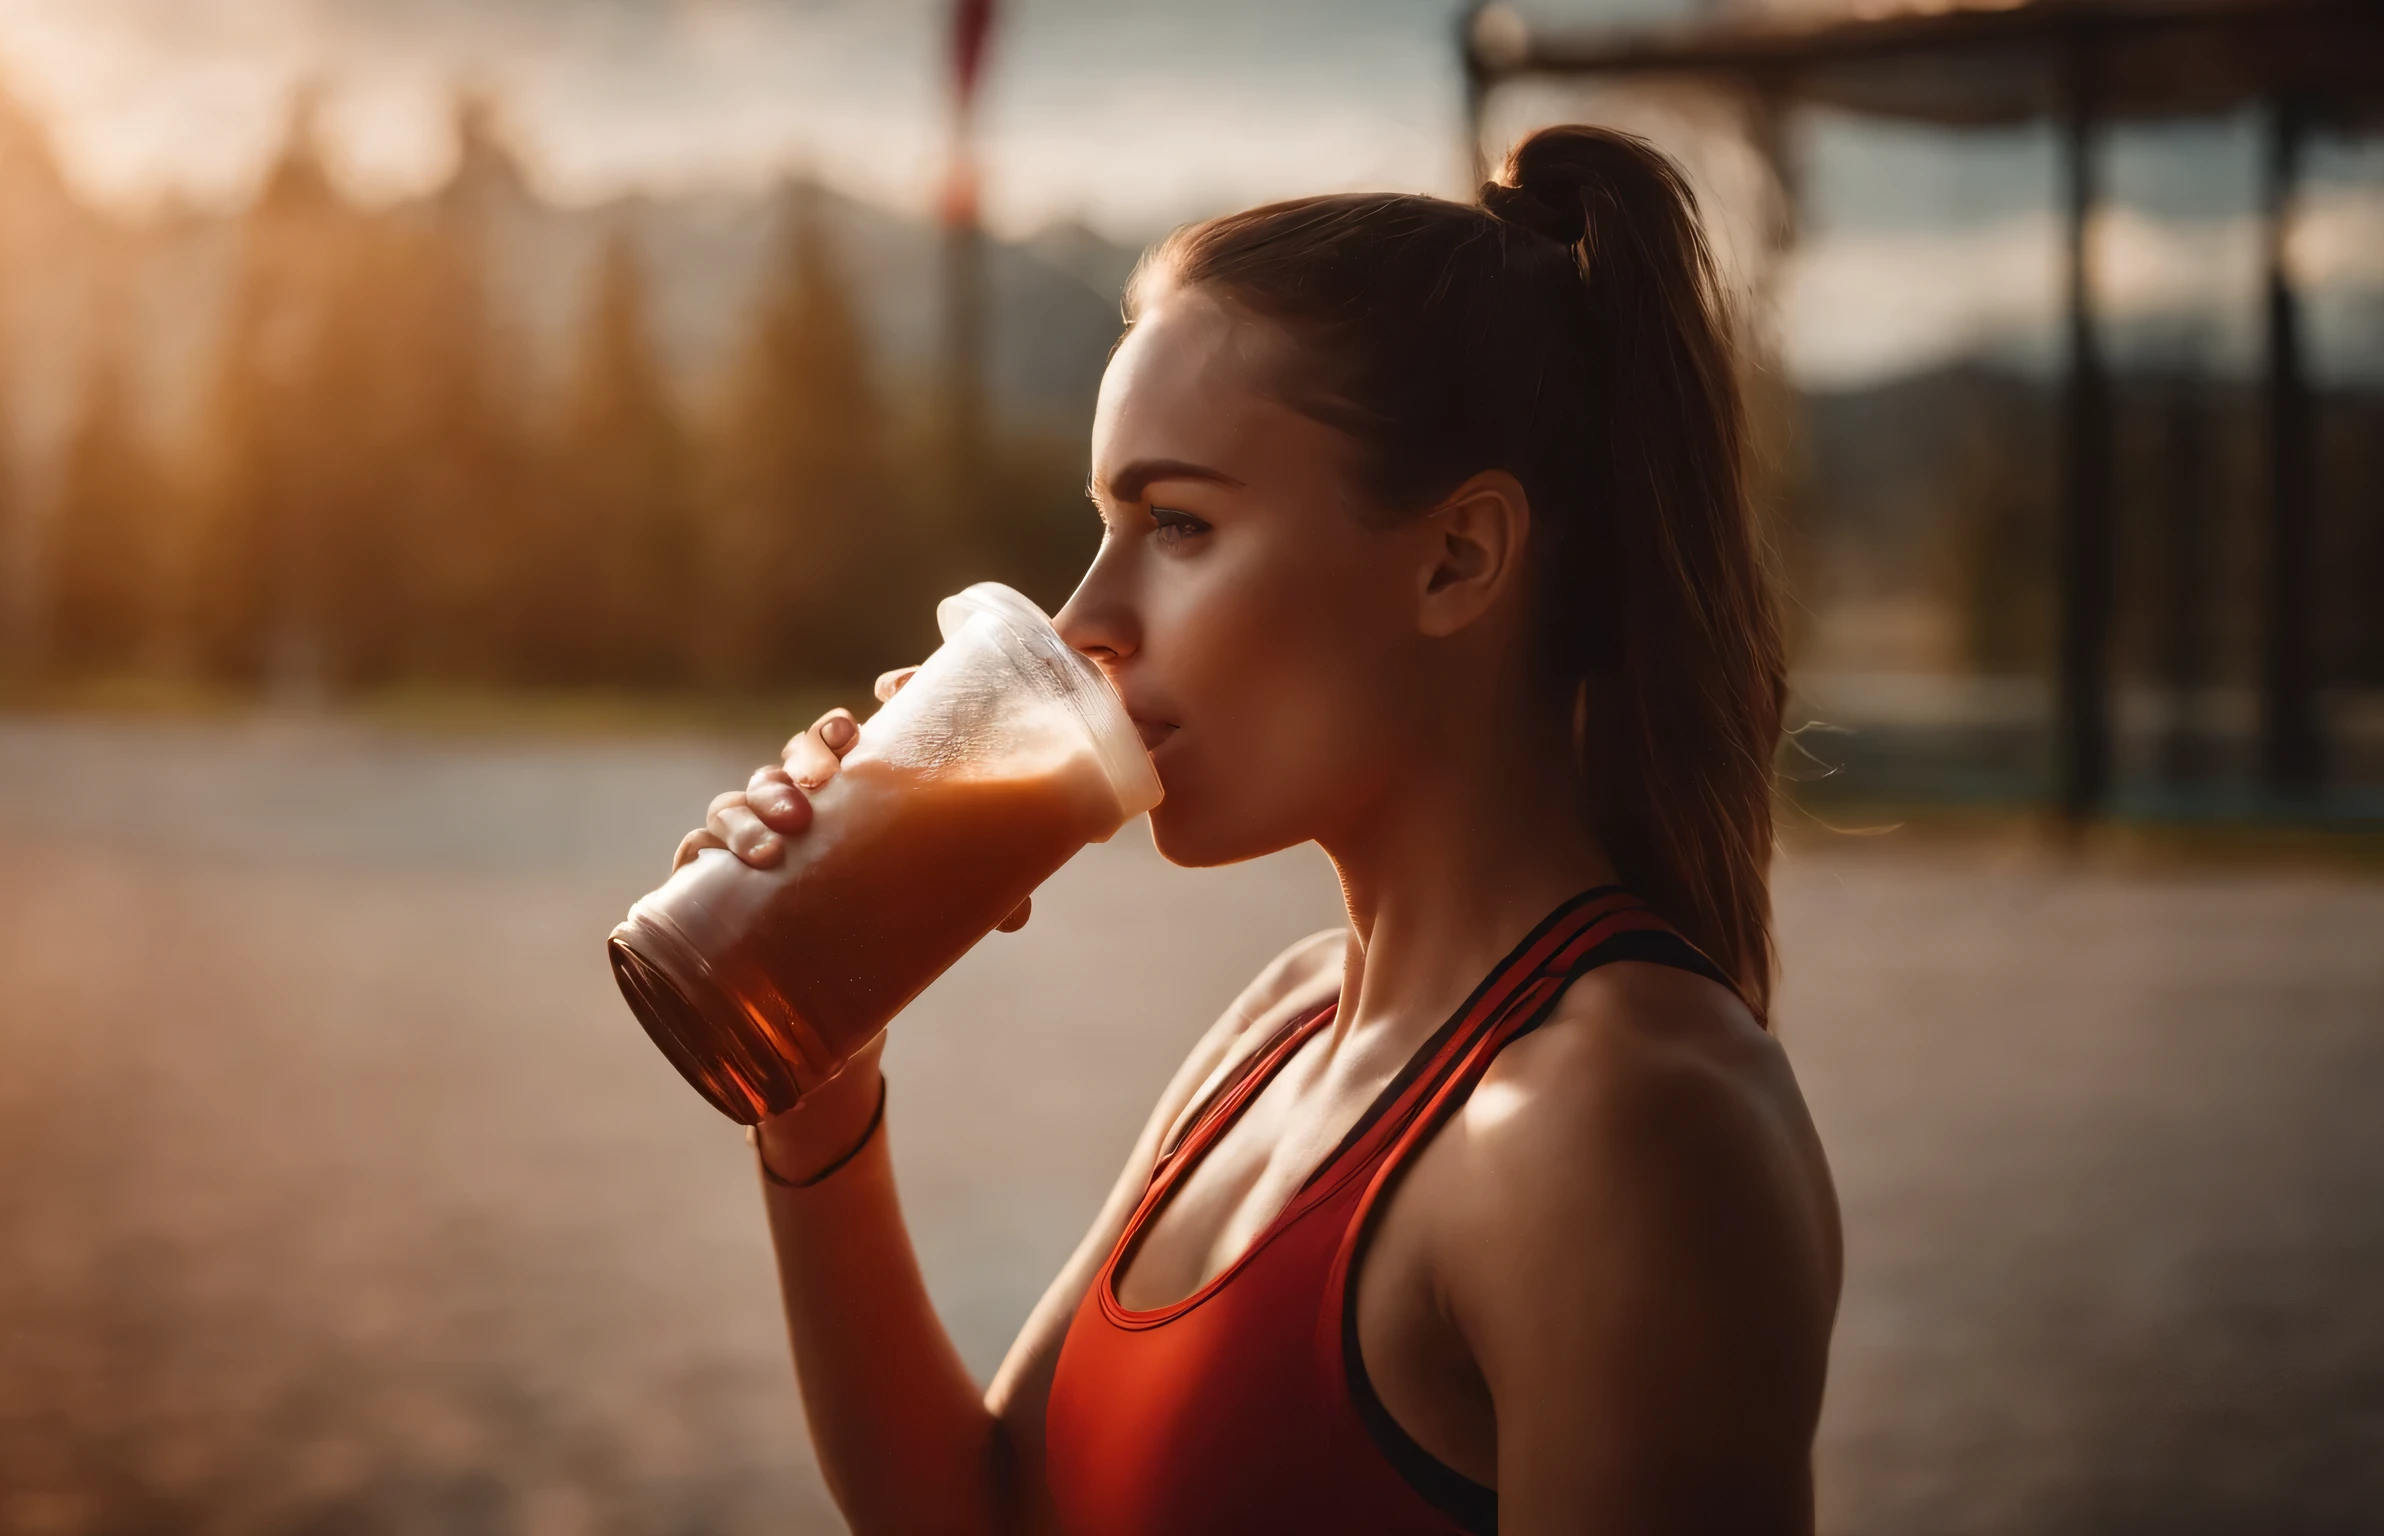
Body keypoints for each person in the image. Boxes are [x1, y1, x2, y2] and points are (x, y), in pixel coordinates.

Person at [668, 125, 1841, 1535]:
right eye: (1106, 526)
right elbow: (983, 1514)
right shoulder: (1283, 1023)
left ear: (1457, 558)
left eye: (1177, 525)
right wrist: (821, 1101)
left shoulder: (1624, 1125)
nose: (1080, 624)